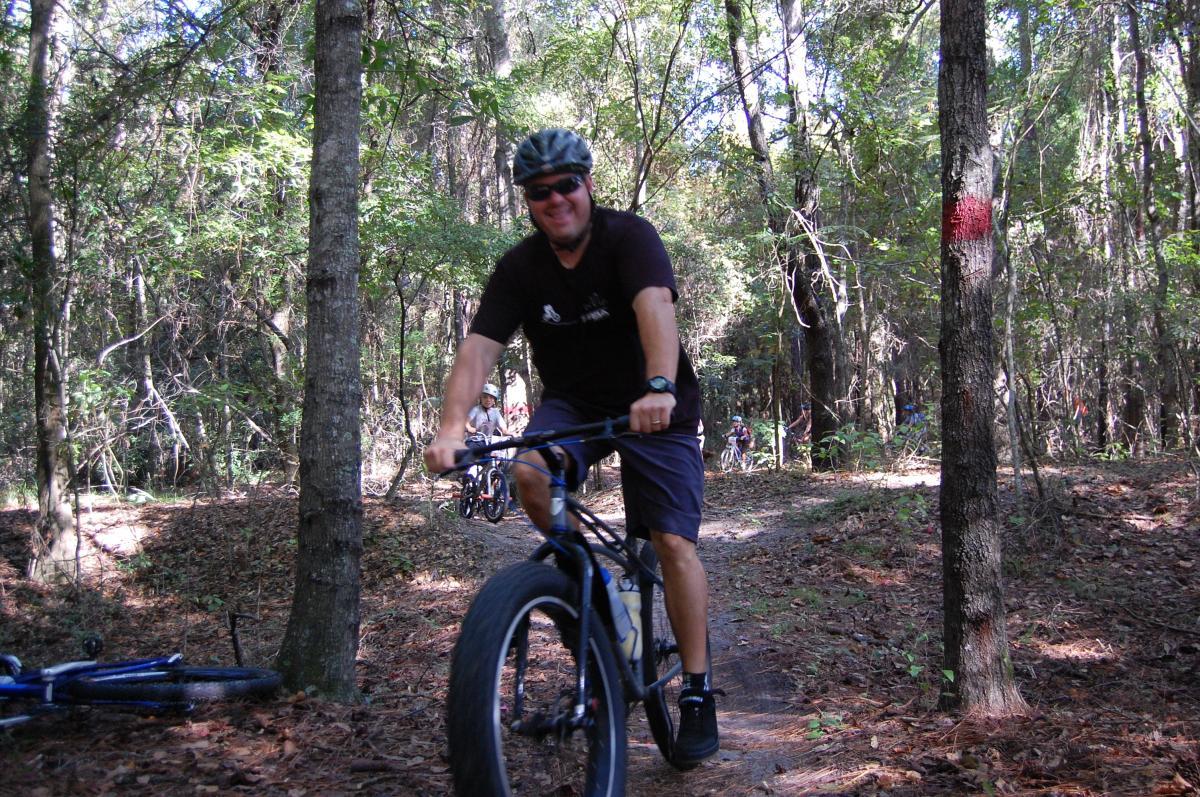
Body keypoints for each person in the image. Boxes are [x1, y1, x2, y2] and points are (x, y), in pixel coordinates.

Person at [423, 128, 719, 764]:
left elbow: (654, 308)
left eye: (566, 185)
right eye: (539, 192)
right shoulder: (520, 268)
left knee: (671, 542)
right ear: (528, 202)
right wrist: (452, 425)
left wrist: (659, 385)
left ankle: (697, 690)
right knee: (529, 472)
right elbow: (480, 349)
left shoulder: (628, 237)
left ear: (588, 185)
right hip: (576, 406)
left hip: (651, 401)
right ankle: (589, 581)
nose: (555, 199)